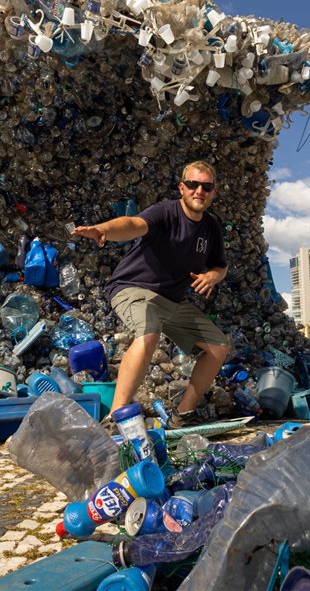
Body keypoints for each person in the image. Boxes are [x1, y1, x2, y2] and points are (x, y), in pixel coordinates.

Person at [72, 160, 230, 429]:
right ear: (182, 188)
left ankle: (183, 415)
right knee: (149, 331)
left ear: (213, 192)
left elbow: (220, 266)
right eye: (192, 184)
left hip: (170, 301)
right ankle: (116, 417)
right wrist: (104, 230)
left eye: (206, 186)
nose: (199, 191)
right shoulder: (165, 213)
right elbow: (133, 223)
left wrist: (212, 276)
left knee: (219, 347)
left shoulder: (211, 228)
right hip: (132, 288)